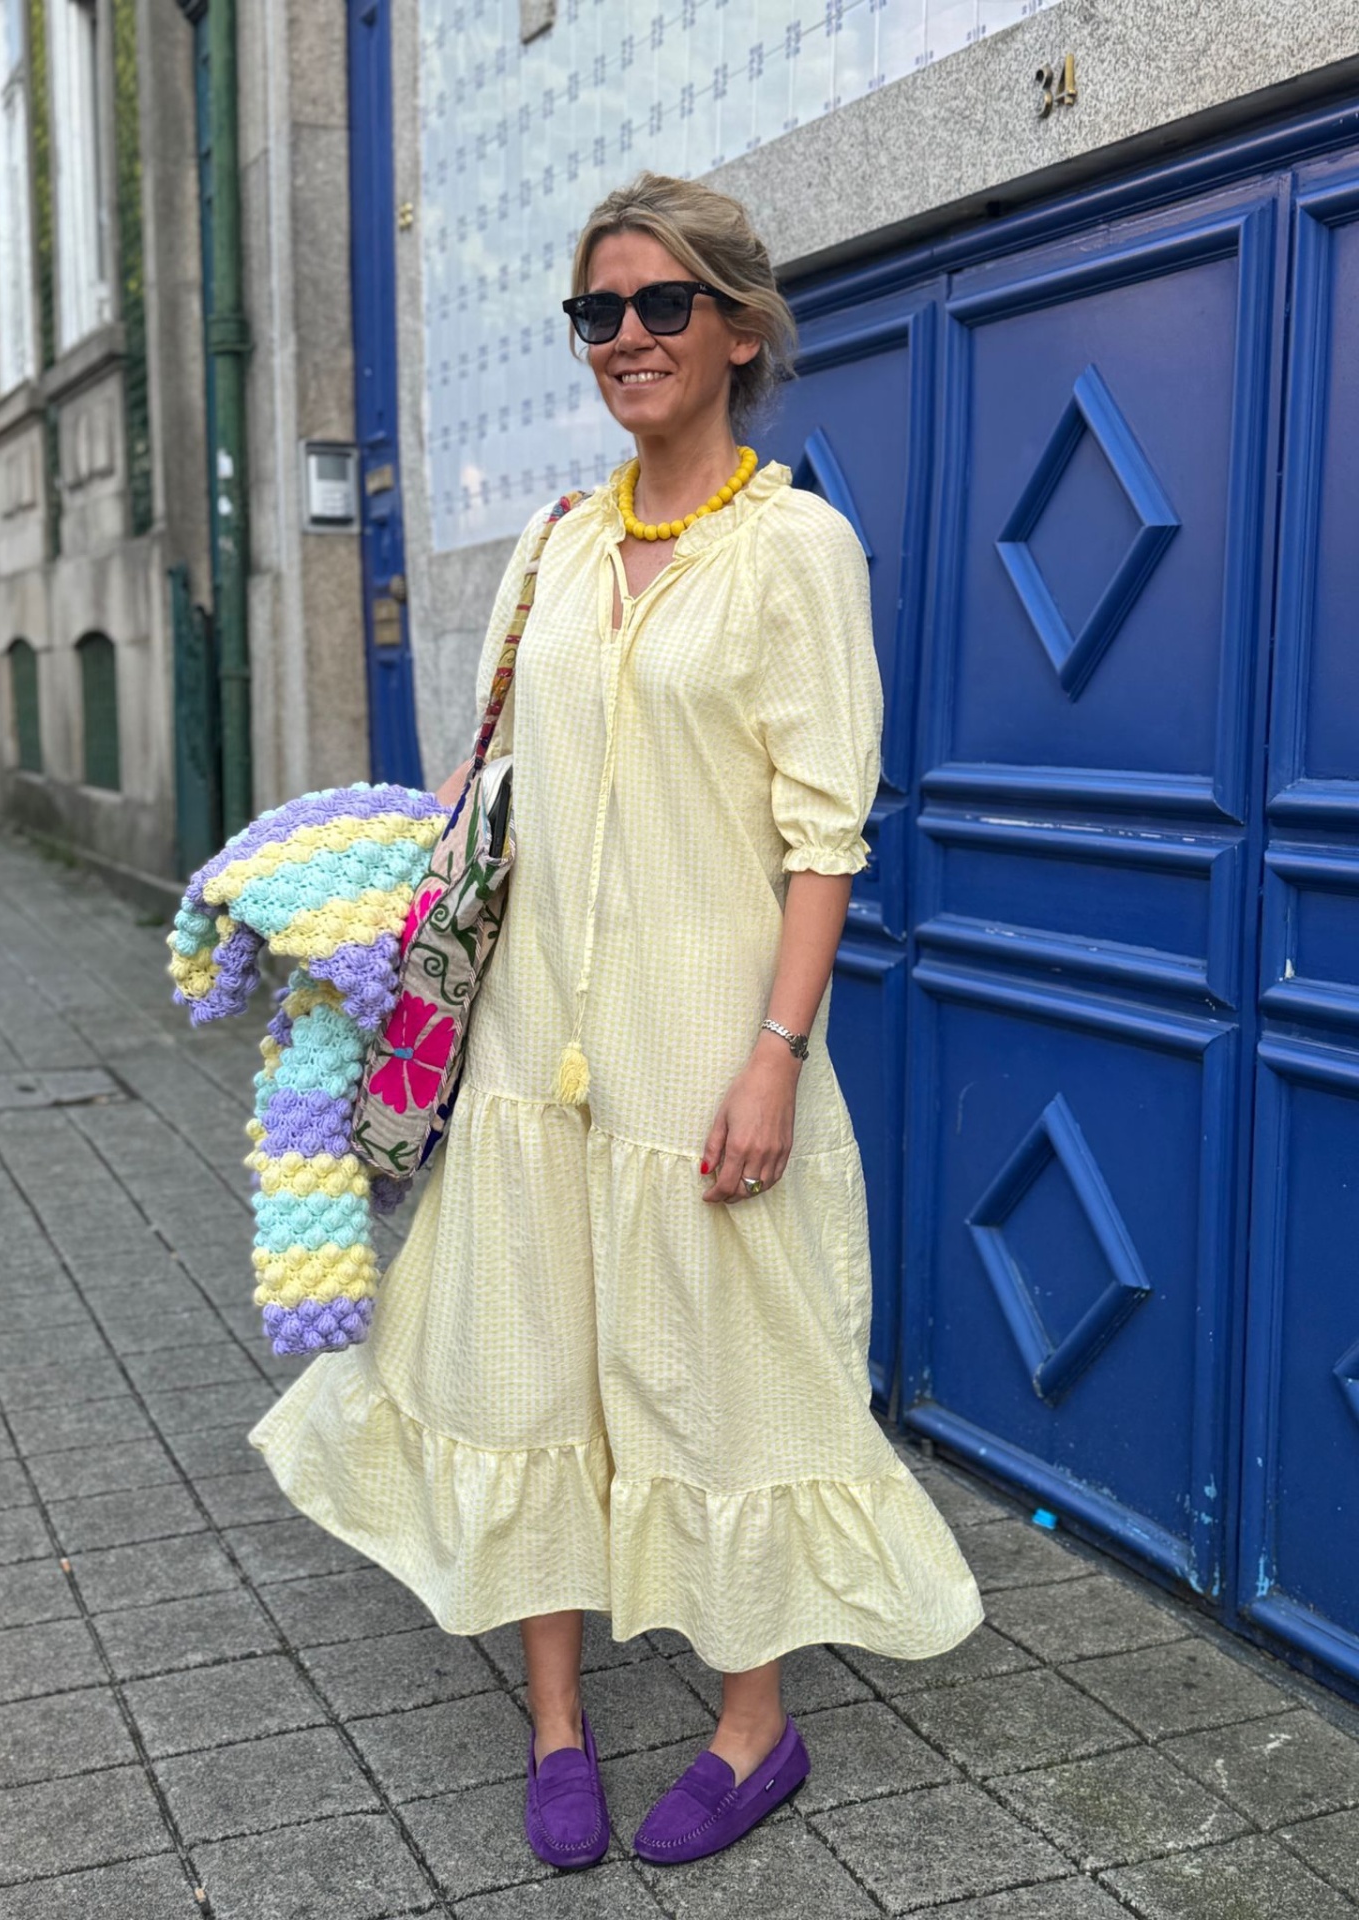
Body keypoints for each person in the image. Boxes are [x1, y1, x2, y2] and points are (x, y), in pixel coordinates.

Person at [249, 169, 982, 1872]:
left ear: (736, 329)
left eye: (662, 306)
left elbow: (826, 833)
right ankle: (559, 1721)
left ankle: (754, 1724)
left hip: (700, 1049)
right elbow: (491, 780)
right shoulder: (555, 544)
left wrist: (776, 1055)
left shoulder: (795, 549)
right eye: (600, 312)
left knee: (721, 1372)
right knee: (527, 1371)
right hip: (522, 1054)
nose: (628, 338)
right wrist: (359, 905)